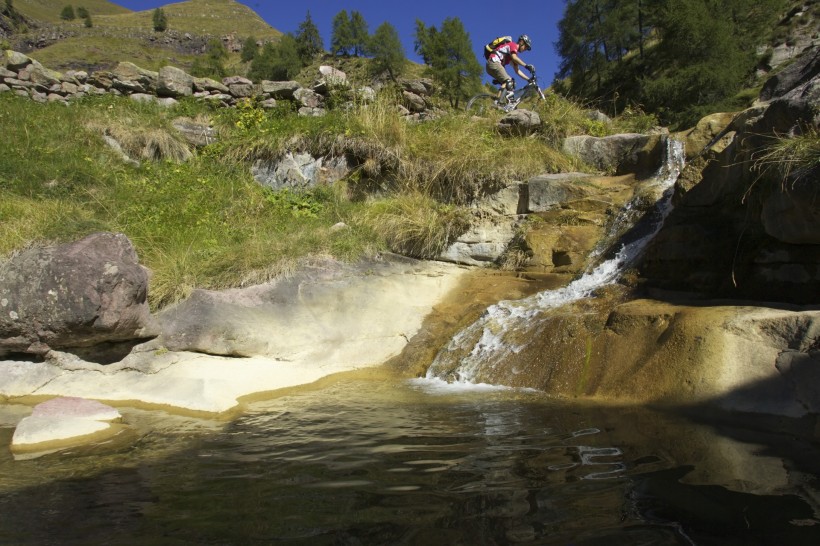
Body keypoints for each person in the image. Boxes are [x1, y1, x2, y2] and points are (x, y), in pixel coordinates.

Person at [485, 34, 534, 104]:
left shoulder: (512, 55)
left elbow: (517, 71)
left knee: (511, 83)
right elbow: (514, 57)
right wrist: (526, 66)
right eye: (525, 46)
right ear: (521, 42)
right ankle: (499, 102)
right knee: (509, 81)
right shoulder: (513, 45)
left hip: (491, 65)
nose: (525, 49)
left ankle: (496, 102)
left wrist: (529, 79)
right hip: (494, 62)